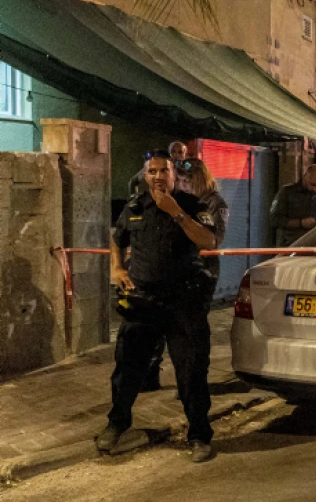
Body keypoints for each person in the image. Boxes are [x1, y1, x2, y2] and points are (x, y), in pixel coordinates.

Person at [99, 149, 219, 463]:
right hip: (143, 300)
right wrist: (117, 268)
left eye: (162, 171)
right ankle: (117, 424)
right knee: (127, 368)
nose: (156, 176)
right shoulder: (135, 206)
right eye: (151, 171)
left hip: (183, 303)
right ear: (145, 175)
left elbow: (209, 242)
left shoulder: (194, 205)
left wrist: (175, 211)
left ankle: (199, 435)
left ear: (174, 175)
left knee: (191, 371)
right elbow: (117, 238)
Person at [142, 158, 229, 392]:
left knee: (191, 332)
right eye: (179, 179)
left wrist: (182, 218)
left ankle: (193, 384)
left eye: (186, 180)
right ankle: (151, 375)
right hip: (174, 271)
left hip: (202, 270)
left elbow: (214, 239)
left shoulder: (212, 202)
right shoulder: (171, 200)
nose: (181, 184)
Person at [269, 164, 316, 246]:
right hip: (292, 245)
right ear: (305, 177)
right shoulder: (287, 192)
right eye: (313, 184)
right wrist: (300, 223)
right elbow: (274, 220)